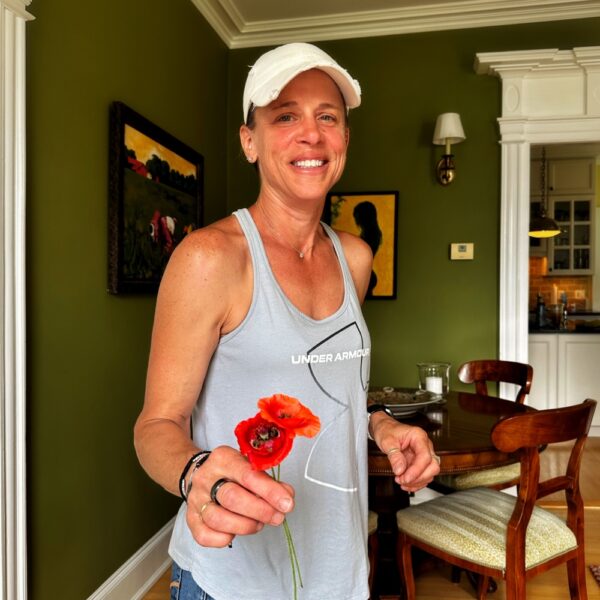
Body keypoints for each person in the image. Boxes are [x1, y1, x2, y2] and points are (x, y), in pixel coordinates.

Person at [134, 42, 440, 600]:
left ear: (345, 139)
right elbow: (156, 427)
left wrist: (381, 425)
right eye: (285, 116)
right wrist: (195, 475)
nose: (312, 133)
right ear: (249, 142)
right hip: (232, 578)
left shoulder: (355, 259)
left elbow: (327, 382)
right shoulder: (211, 259)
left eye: (329, 116)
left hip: (339, 566)